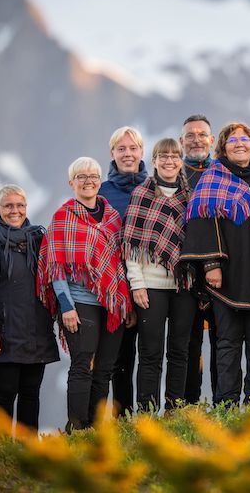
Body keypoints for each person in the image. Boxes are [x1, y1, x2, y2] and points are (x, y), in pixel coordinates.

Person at [179, 122, 250, 406]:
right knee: (228, 341)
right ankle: (226, 400)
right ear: (223, 146)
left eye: (245, 139)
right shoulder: (213, 178)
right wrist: (211, 264)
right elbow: (200, 221)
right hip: (227, 276)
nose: (239, 144)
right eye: (233, 140)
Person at [37, 157, 131, 430]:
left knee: (104, 368)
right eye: (81, 176)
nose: (88, 180)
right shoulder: (62, 217)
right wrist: (66, 306)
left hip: (112, 303)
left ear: (100, 181)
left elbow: (119, 262)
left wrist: (125, 304)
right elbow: (55, 268)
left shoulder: (113, 217)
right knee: (82, 364)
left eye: (93, 176)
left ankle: (96, 428)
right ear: (72, 183)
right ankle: (77, 428)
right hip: (79, 302)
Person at [0, 184, 58, 437]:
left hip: (36, 332)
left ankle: (28, 450)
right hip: (4, 334)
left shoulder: (38, 241)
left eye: (20, 205)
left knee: (31, 393)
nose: (15, 210)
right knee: (5, 392)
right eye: (8, 206)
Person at [123, 138, 196, 412]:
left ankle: (174, 410)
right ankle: (146, 411)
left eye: (174, 156)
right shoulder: (142, 194)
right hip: (150, 286)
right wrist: (137, 284)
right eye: (163, 156)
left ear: (181, 161)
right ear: (154, 161)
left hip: (183, 285)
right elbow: (131, 246)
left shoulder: (190, 196)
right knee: (150, 352)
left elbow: (196, 244)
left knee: (179, 351)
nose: (169, 161)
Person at [98, 126, 147, 415]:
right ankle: (122, 418)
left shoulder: (154, 188)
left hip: (152, 286)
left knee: (152, 355)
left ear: (141, 152)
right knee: (119, 358)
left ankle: (150, 416)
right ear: (112, 153)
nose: (128, 154)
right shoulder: (103, 194)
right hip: (115, 288)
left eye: (133, 148)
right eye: (121, 149)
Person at [178, 115, 219, 405]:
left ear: (212, 140)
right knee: (188, 344)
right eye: (190, 135)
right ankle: (188, 405)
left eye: (202, 134)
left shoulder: (222, 173)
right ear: (181, 142)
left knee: (222, 341)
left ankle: (223, 402)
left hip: (220, 271)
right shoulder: (173, 175)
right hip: (185, 273)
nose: (196, 139)